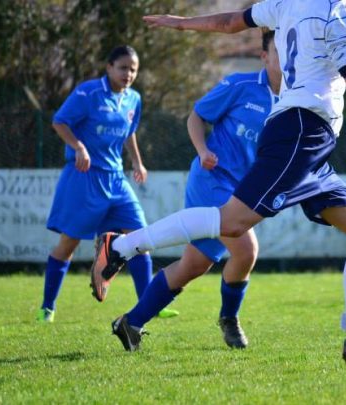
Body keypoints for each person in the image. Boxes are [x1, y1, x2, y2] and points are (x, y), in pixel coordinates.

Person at [93, 0, 346, 367]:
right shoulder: (342, 11)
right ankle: (123, 246)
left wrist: (183, 24)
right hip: (303, 131)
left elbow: (228, 22)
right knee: (235, 225)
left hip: (309, 139)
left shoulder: (287, 4)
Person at [97, 30, 281, 349]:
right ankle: (229, 320)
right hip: (212, 179)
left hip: (242, 192)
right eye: (281, 51)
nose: (290, 58)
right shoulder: (241, 86)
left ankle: (131, 322)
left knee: (194, 265)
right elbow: (197, 115)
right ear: (264, 57)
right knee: (246, 249)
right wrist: (202, 150)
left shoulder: (296, 100)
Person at [37, 45, 178, 322]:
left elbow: (130, 132)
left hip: (116, 180)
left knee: (141, 239)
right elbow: (59, 122)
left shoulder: (133, 99)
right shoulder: (87, 93)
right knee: (68, 244)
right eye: (123, 67)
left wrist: (137, 161)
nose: (128, 74)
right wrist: (78, 147)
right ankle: (47, 308)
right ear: (109, 67)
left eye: (133, 69)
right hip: (84, 177)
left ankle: (149, 304)